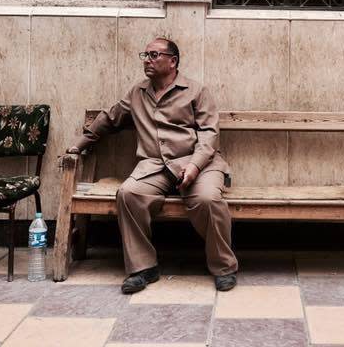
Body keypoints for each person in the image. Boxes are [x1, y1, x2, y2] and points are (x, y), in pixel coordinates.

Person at [66, 37, 238, 293]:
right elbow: (110, 119)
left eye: (155, 55)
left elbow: (209, 134)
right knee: (128, 193)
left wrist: (193, 167)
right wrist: (79, 145)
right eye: (145, 55)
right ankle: (143, 268)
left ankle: (224, 267)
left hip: (199, 164)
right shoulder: (137, 92)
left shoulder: (196, 91)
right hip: (156, 166)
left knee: (207, 200)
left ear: (173, 61)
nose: (147, 60)